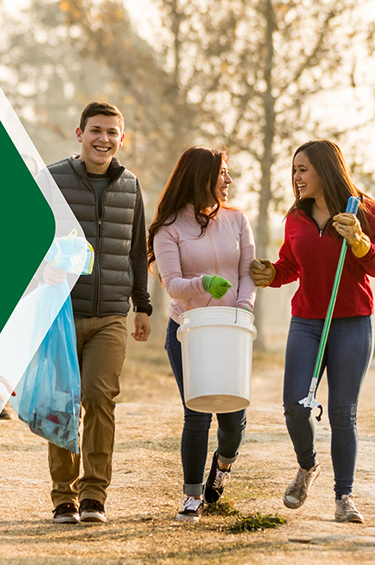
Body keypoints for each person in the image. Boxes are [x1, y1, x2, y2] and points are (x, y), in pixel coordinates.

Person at [249, 139, 375, 524]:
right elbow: (289, 266)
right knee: (295, 407)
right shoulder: (295, 217)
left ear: (327, 169)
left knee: (344, 415)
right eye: (294, 169)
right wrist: (270, 274)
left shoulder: (364, 210)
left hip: (353, 323)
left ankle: (344, 496)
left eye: (303, 169)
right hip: (307, 321)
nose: (296, 177)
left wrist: (360, 242)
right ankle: (307, 466)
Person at [44, 101, 153, 524]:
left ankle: (93, 496)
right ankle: (63, 497)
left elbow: (137, 250)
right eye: (96, 130)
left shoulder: (131, 186)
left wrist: (141, 306)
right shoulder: (52, 180)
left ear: (121, 139)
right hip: (60, 313)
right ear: (79, 133)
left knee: (99, 397)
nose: (103, 139)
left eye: (112, 132)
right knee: (63, 402)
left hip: (110, 313)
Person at [149, 147, 255, 523]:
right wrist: (203, 283)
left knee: (233, 419)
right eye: (222, 173)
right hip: (189, 331)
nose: (228, 181)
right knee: (196, 413)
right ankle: (192, 496)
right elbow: (173, 284)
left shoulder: (238, 220)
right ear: (200, 177)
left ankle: (222, 468)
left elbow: (246, 274)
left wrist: (243, 308)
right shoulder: (168, 228)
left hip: (231, 329)